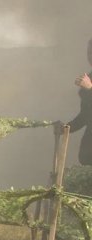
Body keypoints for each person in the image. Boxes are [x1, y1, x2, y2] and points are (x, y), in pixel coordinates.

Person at [58, 37, 92, 165]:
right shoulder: (90, 77)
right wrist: (67, 128)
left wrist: (89, 88)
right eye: (89, 53)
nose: (90, 56)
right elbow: (85, 116)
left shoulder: (88, 83)